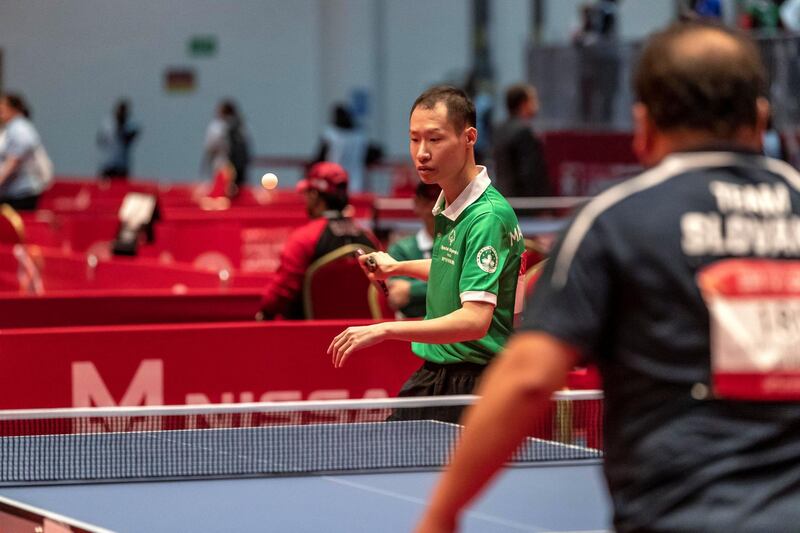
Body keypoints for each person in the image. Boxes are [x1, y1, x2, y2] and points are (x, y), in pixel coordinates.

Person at [416, 22, 800, 533]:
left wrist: (441, 514)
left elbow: (529, 379)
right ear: (760, 117)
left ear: (643, 124)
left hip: (675, 516)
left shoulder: (616, 222)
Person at [328, 86, 524, 423]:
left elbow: (475, 320)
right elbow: (456, 267)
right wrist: (397, 266)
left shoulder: (486, 217)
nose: (421, 153)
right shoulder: (452, 204)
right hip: (439, 373)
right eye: (414, 139)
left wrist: (385, 330)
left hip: (474, 382)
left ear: (469, 138)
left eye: (434, 139)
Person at [257, 161, 379, 320]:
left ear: (314, 195)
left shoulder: (304, 239)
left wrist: (263, 313)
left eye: (307, 193)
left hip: (310, 336)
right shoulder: (369, 238)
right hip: (363, 334)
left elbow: (278, 296)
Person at [385, 182, 440, 318]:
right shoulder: (401, 249)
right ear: (416, 203)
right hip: (413, 327)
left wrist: (412, 289)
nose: (434, 206)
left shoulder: (462, 244)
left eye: (440, 199)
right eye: (427, 200)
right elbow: (397, 296)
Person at [492, 83, 551, 197]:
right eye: (533, 100)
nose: (536, 104)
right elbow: (530, 173)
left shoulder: (499, 130)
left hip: (505, 197)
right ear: (523, 103)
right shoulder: (524, 132)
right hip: (526, 204)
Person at [0, 93, 51, 211]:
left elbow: (13, 161)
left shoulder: (20, 129)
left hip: (21, 192)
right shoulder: (11, 128)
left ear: (14, 108)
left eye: (3, 107)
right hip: (13, 192)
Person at [314, 103, 369, 193]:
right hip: (356, 182)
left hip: (332, 181)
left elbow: (320, 157)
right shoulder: (359, 135)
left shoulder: (330, 134)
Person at [203, 99, 251, 196]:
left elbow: (211, 147)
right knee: (236, 192)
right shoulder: (241, 126)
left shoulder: (217, 127)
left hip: (222, 164)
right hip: (238, 165)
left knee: (222, 193)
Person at [97, 99, 140, 179]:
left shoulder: (130, 126)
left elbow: (128, 140)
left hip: (122, 166)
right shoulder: (107, 124)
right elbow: (99, 141)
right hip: (107, 163)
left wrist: (121, 127)